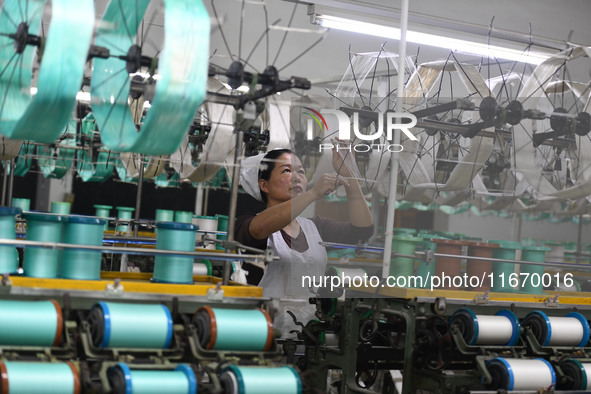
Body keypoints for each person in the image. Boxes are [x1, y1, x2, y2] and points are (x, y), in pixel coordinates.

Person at [236, 145, 373, 298]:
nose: (297, 177)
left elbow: (362, 231)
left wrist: (350, 176)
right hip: (268, 319)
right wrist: (313, 193)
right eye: (286, 170)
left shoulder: (316, 227)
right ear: (264, 185)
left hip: (311, 321)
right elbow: (260, 228)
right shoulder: (246, 223)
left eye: (301, 171)